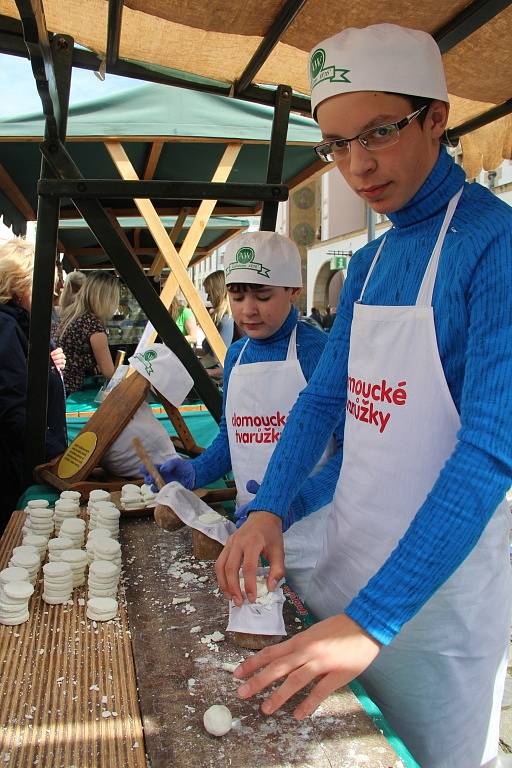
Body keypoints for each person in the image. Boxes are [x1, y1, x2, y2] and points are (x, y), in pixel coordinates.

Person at [215, 24, 512, 768]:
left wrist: (373, 621)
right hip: (349, 565)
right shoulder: (374, 260)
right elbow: (322, 402)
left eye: (378, 132)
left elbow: (489, 450)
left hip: (436, 602)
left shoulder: (493, 244)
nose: (357, 165)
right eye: (336, 145)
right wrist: (270, 506)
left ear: (437, 118)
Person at [143, 231, 343, 596]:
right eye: (237, 295)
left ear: (293, 292)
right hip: (248, 527)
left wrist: (291, 505)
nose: (248, 309)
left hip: (316, 533)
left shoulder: (319, 352)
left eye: (263, 296)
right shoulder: (236, 355)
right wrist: (194, 470)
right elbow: (231, 438)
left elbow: (350, 454)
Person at [0, 239, 67, 529]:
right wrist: (54, 452)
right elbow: (12, 406)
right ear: (20, 284)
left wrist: (51, 366)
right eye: (43, 286)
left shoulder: (22, 324)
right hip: (12, 470)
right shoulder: (6, 326)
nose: (49, 296)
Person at [56, 271, 120, 394]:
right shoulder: (93, 325)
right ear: (107, 300)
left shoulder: (69, 314)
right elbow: (109, 372)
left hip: (56, 386)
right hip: (71, 393)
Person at [200, 269, 238, 380]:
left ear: (218, 292)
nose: (208, 298)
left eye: (209, 293)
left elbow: (219, 359)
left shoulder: (226, 320)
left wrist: (206, 371)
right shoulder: (225, 318)